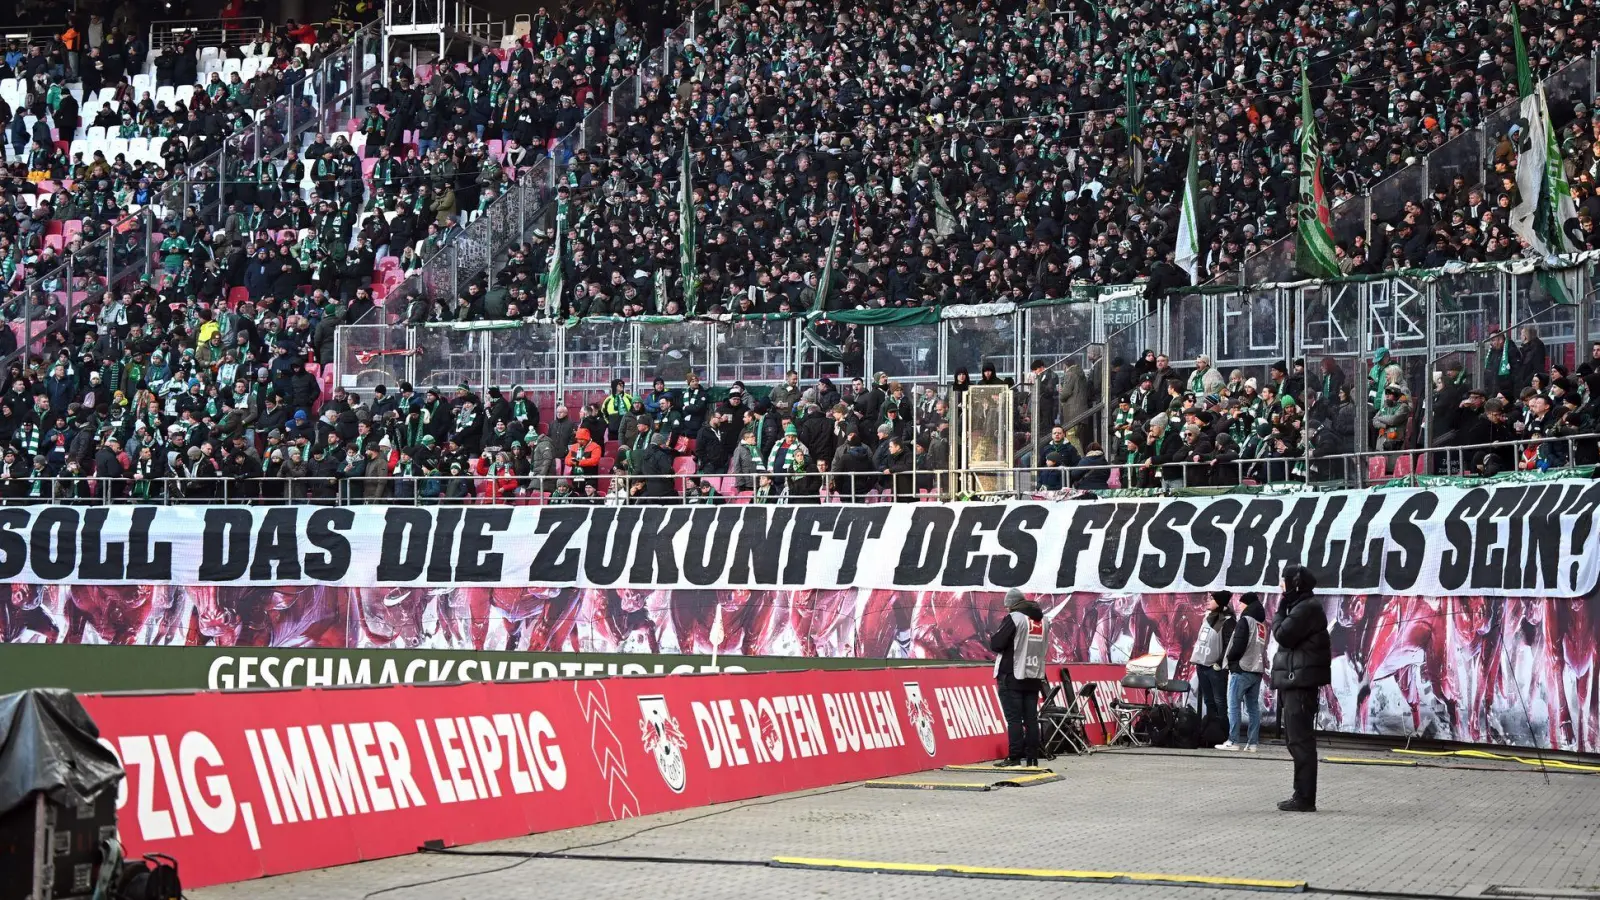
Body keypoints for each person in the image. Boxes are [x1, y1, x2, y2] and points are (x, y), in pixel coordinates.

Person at [1271, 565, 1331, 812]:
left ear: (1294, 584)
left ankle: (1305, 798)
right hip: (1294, 681)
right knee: (1295, 740)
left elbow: (1283, 635)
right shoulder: (1301, 607)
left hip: (1300, 683)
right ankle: (1301, 794)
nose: (1280, 587)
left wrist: (1279, 611)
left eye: (1283, 582)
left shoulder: (1306, 608)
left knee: (1300, 741)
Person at [988, 588, 1048, 768]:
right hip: (1034, 674)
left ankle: (1015, 757)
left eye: (1007, 607)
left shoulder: (1015, 618)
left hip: (1012, 674)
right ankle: (1032, 758)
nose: (1007, 610)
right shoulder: (1044, 620)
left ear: (1012, 605)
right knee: (1031, 719)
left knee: (1014, 719)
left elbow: (997, 644)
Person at [1217, 592, 1268, 752]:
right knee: (1253, 708)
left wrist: (1231, 661)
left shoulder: (1245, 621)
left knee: (1233, 705)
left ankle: (1233, 741)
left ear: (1247, 604)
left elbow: (1238, 644)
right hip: (1256, 670)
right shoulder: (1262, 625)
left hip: (1242, 669)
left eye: (1241, 603)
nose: (1239, 606)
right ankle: (1252, 743)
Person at [1188, 591, 1235, 737]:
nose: (1209, 601)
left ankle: (1224, 734)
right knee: (1209, 701)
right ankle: (1211, 732)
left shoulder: (1228, 620)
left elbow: (1229, 644)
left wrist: (1219, 663)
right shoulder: (1207, 617)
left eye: (1212, 599)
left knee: (1220, 701)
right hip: (1201, 664)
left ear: (1220, 602)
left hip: (1216, 668)